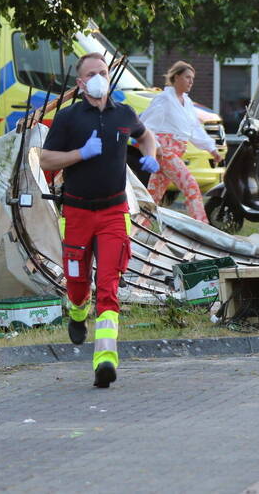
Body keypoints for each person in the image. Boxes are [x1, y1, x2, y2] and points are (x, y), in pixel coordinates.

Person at [40, 52, 159, 388]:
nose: (98, 78)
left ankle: (105, 358)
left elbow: (146, 136)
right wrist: (80, 154)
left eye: (102, 72)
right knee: (77, 282)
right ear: (81, 83)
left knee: (108, 285)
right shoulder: (68, 117)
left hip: (113, 213)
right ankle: (77, 311)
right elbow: (45, 160)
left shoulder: (124, 113)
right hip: (77, 213)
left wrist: (150, 155)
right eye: (91, 74)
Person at [139, 61, 223, 223]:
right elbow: (146, 124)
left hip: (176, 151)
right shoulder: (164, 99)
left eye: (192, 78)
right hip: (165, 151)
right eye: (187, 77)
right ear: (176, 77)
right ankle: (201, 225)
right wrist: (157, 147)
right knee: (190, 185)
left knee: (154, 194)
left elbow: (195, 129)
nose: (191, 81)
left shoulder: (187, 102)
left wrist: (212, 149)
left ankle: (139, 227)